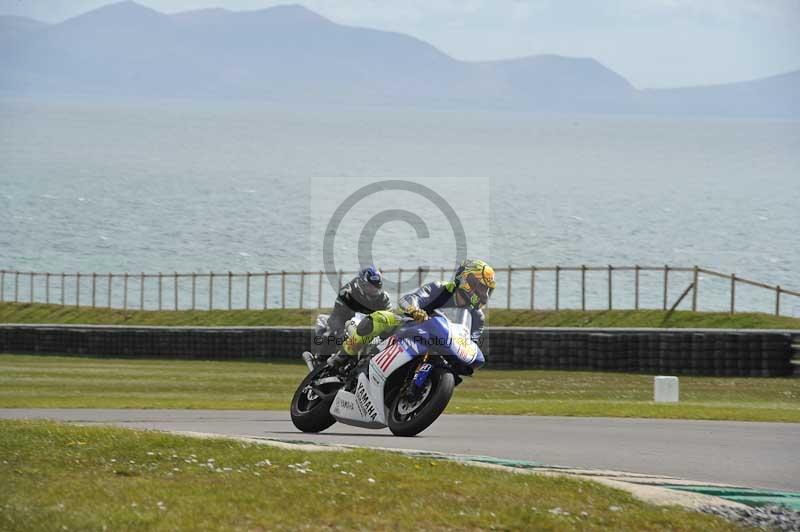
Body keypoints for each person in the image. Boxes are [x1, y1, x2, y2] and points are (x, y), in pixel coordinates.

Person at [398, 259, 495, 343]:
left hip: (443, 349)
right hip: (413, 336)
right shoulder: (439, 288)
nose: (484, 293)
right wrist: (415, 310)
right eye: (481, 287)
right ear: (464, 278)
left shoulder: (477, 317)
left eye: (486, 289)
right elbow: (406, 300)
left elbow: (472, 346)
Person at [317, 266, 391, 361]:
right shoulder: (347, 293)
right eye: (371, 287)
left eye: (376, 286)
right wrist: (341, 332)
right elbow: (335, 317)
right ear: (362, 284)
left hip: (368, 328)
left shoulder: (384, 298)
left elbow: (387, 319)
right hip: (346, 324)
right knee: (330, 334)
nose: (374, 290)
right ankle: (320, 360)